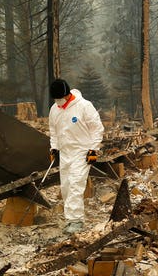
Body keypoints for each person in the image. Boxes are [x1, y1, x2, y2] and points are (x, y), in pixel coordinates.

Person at [48, 79, 104, 234]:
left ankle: (76, 221)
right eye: (55, 99)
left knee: (75, 184)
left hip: (82, 151)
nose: (58, 101)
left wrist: (93, 150)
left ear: (67, 95)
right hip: (65, 153)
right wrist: (54, 148)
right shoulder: (54, 109)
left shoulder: (84, 106)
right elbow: (53, 131)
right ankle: (70, 220)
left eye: (60, 98)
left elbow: (97, 129)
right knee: (65, 186)